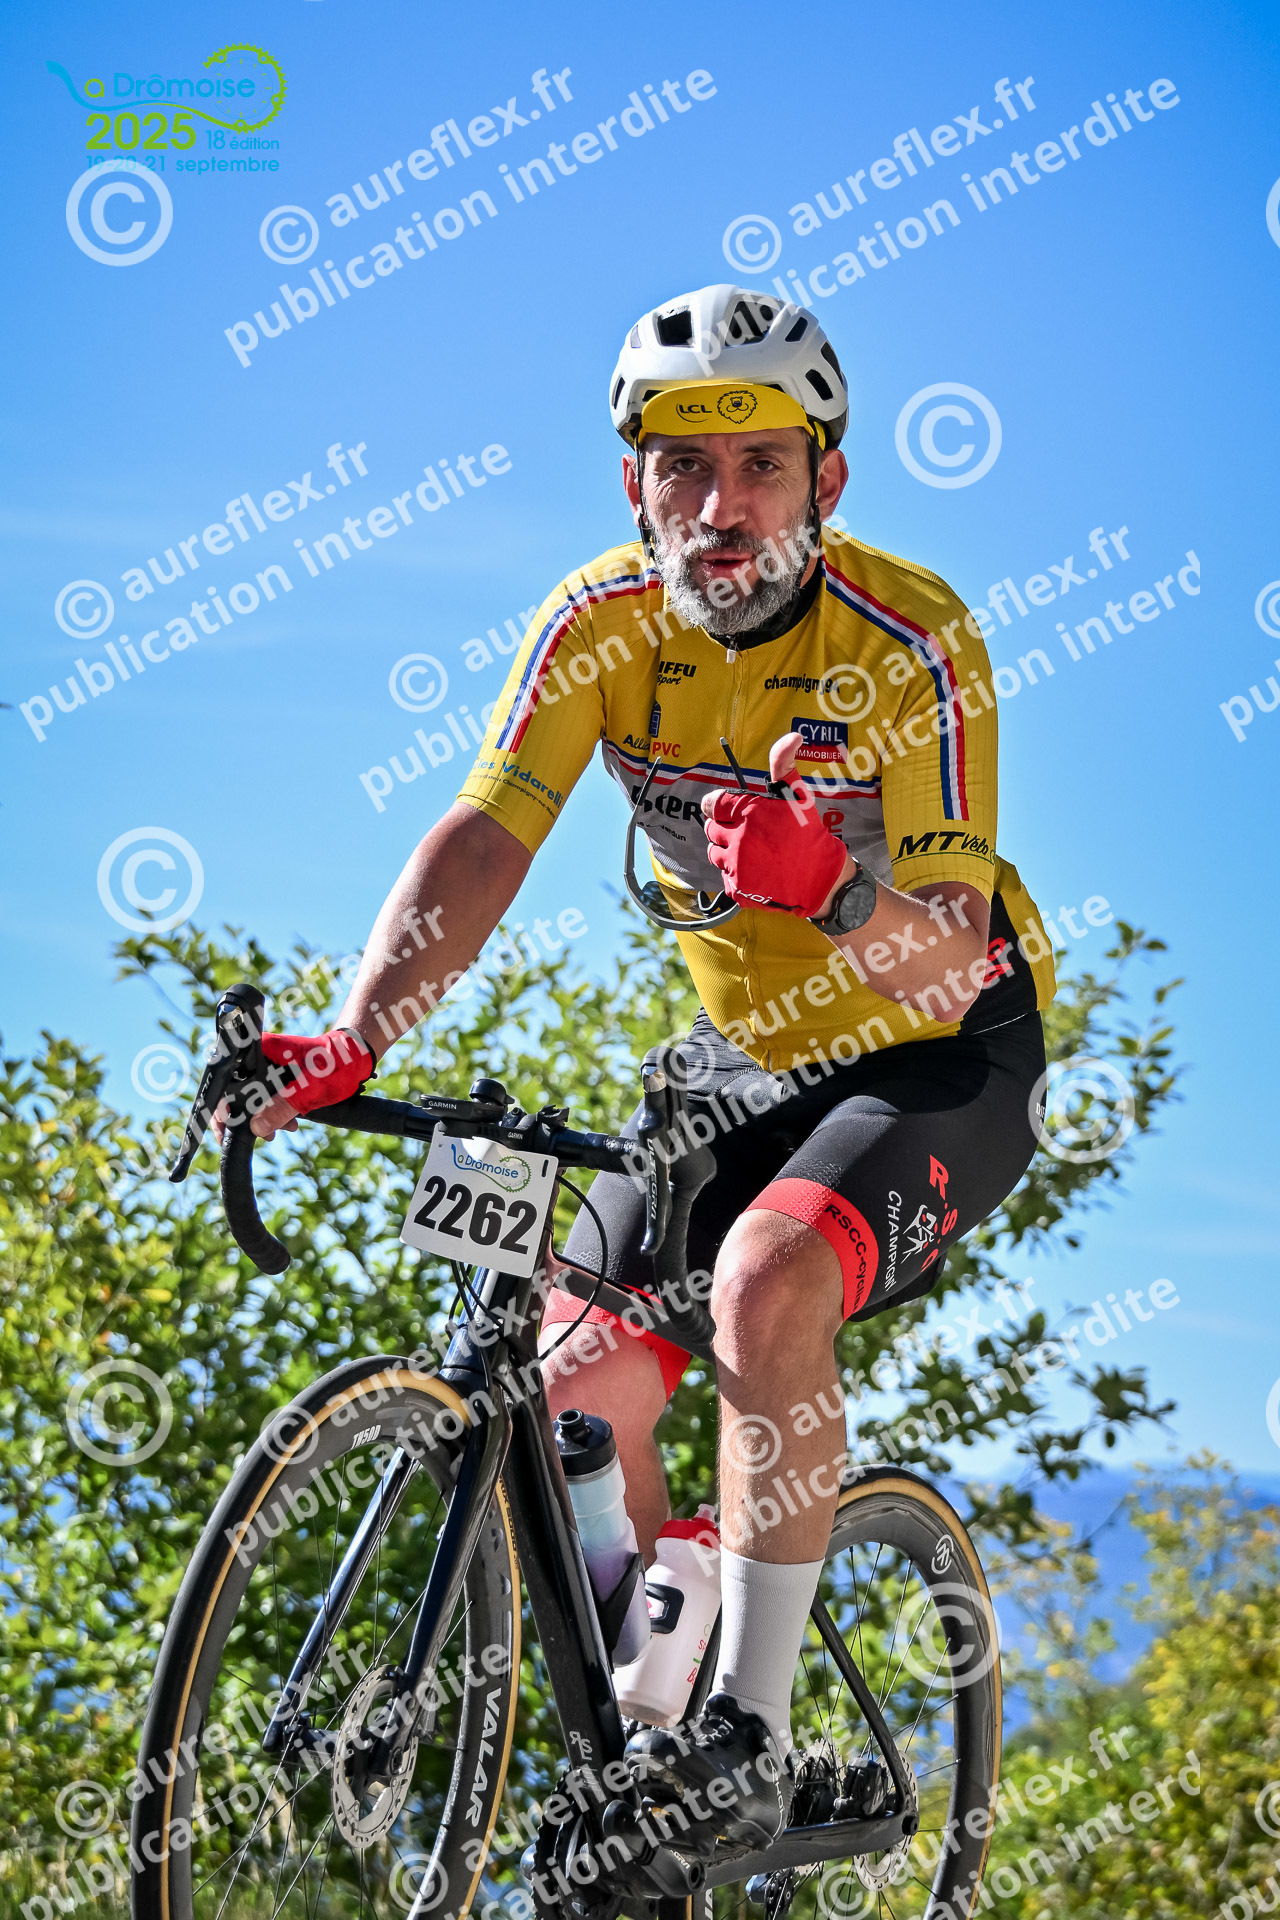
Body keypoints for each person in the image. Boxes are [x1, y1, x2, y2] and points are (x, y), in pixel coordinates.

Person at [239, 283, 1055, 1850]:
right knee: (566, 1381)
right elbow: (489, 836)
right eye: (684, 466)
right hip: (735, 1064)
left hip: (942, 1049)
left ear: (828, 480)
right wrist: (357, 1035)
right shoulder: (598, 623)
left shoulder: (914, 640)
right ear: (635, 483)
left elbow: (955, 956)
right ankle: (655, 1693)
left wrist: (834, 890)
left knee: (764, 1280)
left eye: (761, 466)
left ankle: (747, 1733)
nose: (720, 506)